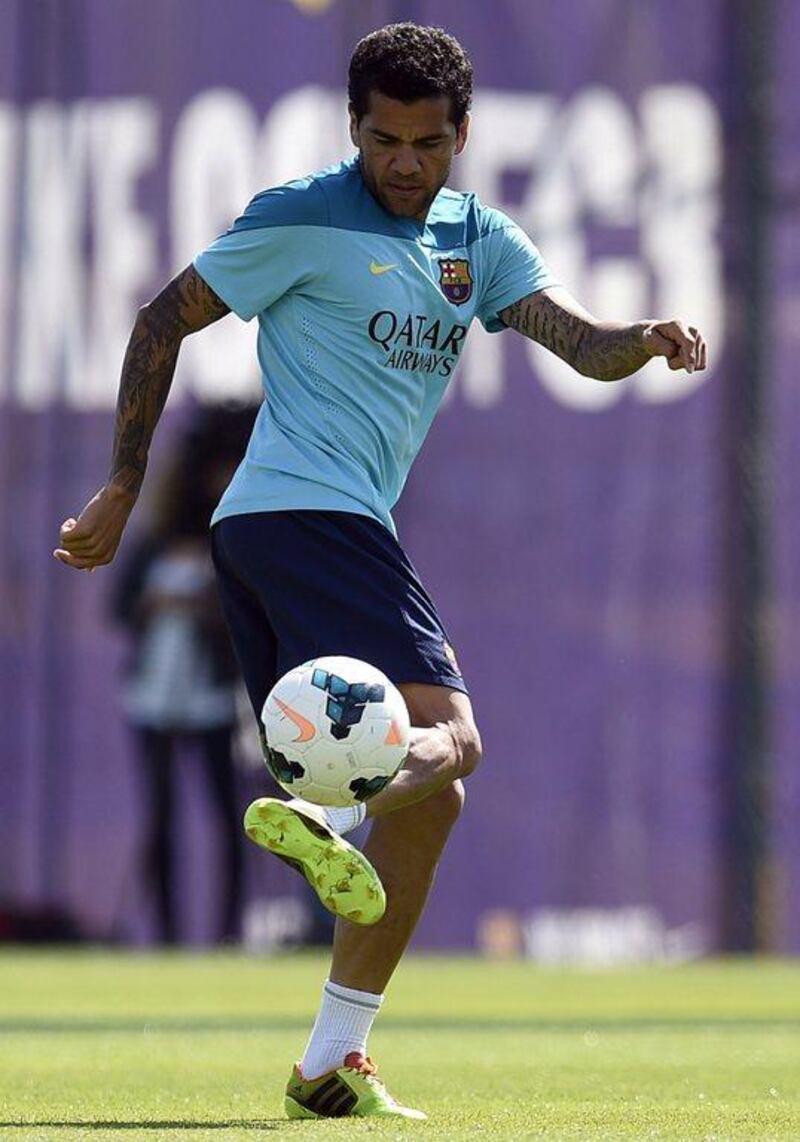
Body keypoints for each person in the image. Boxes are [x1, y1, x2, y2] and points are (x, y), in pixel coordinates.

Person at [54, 23, 707, 1120]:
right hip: (303, 517)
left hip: (290, 534)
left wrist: (640, 334)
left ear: (462, 133)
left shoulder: (475, 241)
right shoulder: (302, 214)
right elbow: (162, 318)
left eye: (425, 141)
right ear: (351, 128)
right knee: (459, 733)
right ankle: (332, 812)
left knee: (435, 796)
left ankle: (331, 1053)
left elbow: (579, 345)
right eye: (382, 138)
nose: (402, 161)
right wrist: (125, 482)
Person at [110, 407, 253, 945]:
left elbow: (247, 617)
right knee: (161, 817)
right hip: (153, 694)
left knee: (230, 816)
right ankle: (167, 934)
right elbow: (119, 607)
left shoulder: (232, 540)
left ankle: (228, 934)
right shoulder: (156, 542)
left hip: (213, 694)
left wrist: (205, 609)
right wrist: (155, 602)